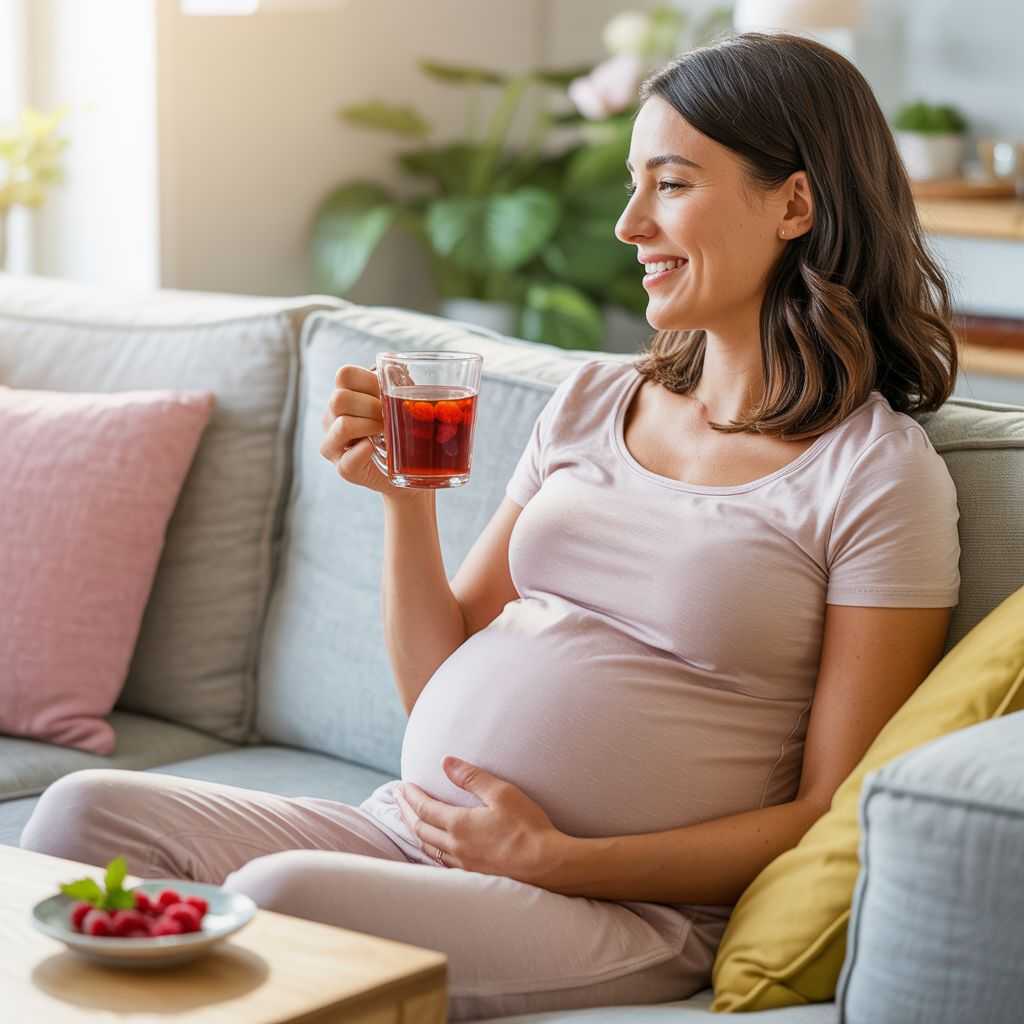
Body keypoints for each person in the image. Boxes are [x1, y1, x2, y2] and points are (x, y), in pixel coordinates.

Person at [20, 31, 961, 1019]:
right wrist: (404, 500)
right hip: (409, 830)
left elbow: (829, 811)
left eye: (671, 185)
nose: (630, 224)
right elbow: (437, 678)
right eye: (633, 185)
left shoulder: (876, 477)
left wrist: (564, 858)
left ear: (795, 204)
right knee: (82, 814)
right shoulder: (593, 399)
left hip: (628, 904)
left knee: (287, 906)